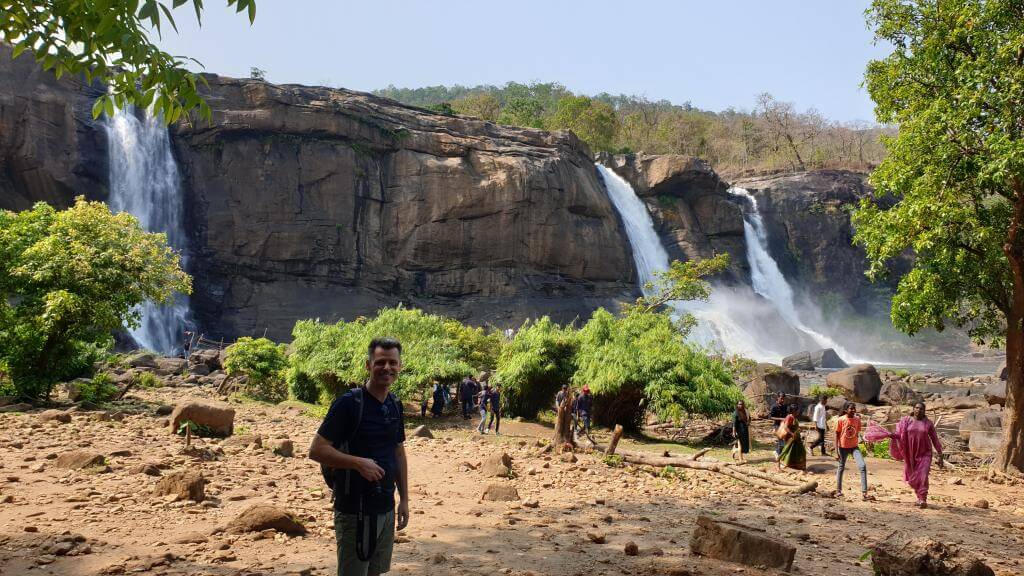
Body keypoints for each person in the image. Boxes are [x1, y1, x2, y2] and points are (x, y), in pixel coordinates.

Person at [308, 337, 409, 576]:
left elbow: (398, 452)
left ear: (399, 366)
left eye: (392, 363)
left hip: (385, 507)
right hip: (355, 509)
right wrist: (357, 463)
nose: (387, 368)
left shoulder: (395, 404)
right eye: (380, 362)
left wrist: (404, 499)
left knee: (376, 572)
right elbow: (316, 450)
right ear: (368, 365)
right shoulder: (349, 403)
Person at [893, 402, 944, 508]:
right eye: (916, 408)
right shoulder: (906, 421)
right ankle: (919, 497)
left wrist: (940, 455)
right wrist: (890, 435)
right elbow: (899, 434)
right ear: (913, 409)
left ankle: (923, 499)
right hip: (910, 453)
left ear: (924, 411)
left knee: (923, 475)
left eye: (921, 409)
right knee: (913, 476)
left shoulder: (928, 423)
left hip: (925, 452)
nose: (918, 410)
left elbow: (935, 439)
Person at [835, 402, 870, 500]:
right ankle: (838, 491)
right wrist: (836, 451)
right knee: (841, 468)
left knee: (862, 466)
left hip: (854, 447)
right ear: (846, 410)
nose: (854, 410)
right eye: (851, 409)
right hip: (843, 447)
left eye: (854, 408)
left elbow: (857, 433)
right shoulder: (841, 420)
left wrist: (864, 441)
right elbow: (836, 435)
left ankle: (864, 493)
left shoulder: (857, 419)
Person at [777, 403, 806, 471]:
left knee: (798, 452)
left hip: (796, 439)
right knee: (786, 451)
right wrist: (792, 434)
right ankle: (779, 464)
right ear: (793, 410)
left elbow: (795, 426)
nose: (798, 411)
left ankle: (796, 466)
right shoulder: (789, 417)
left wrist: (799, 430)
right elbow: (785, 427)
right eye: (797, 410)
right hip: (791, 438)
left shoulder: (794, 417)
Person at [769, 393, 788, 460]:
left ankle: (777, 452)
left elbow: (786, 415)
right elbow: (770, 417)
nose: (782, 400)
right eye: (781, 398)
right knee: (781, 440)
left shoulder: (785, 406)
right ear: (778, 398)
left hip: (784, 425)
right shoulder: (774, 406)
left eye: (784, 399)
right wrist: (780, 419)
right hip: (777, 425)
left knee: (784, 440)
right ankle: (778, 454)